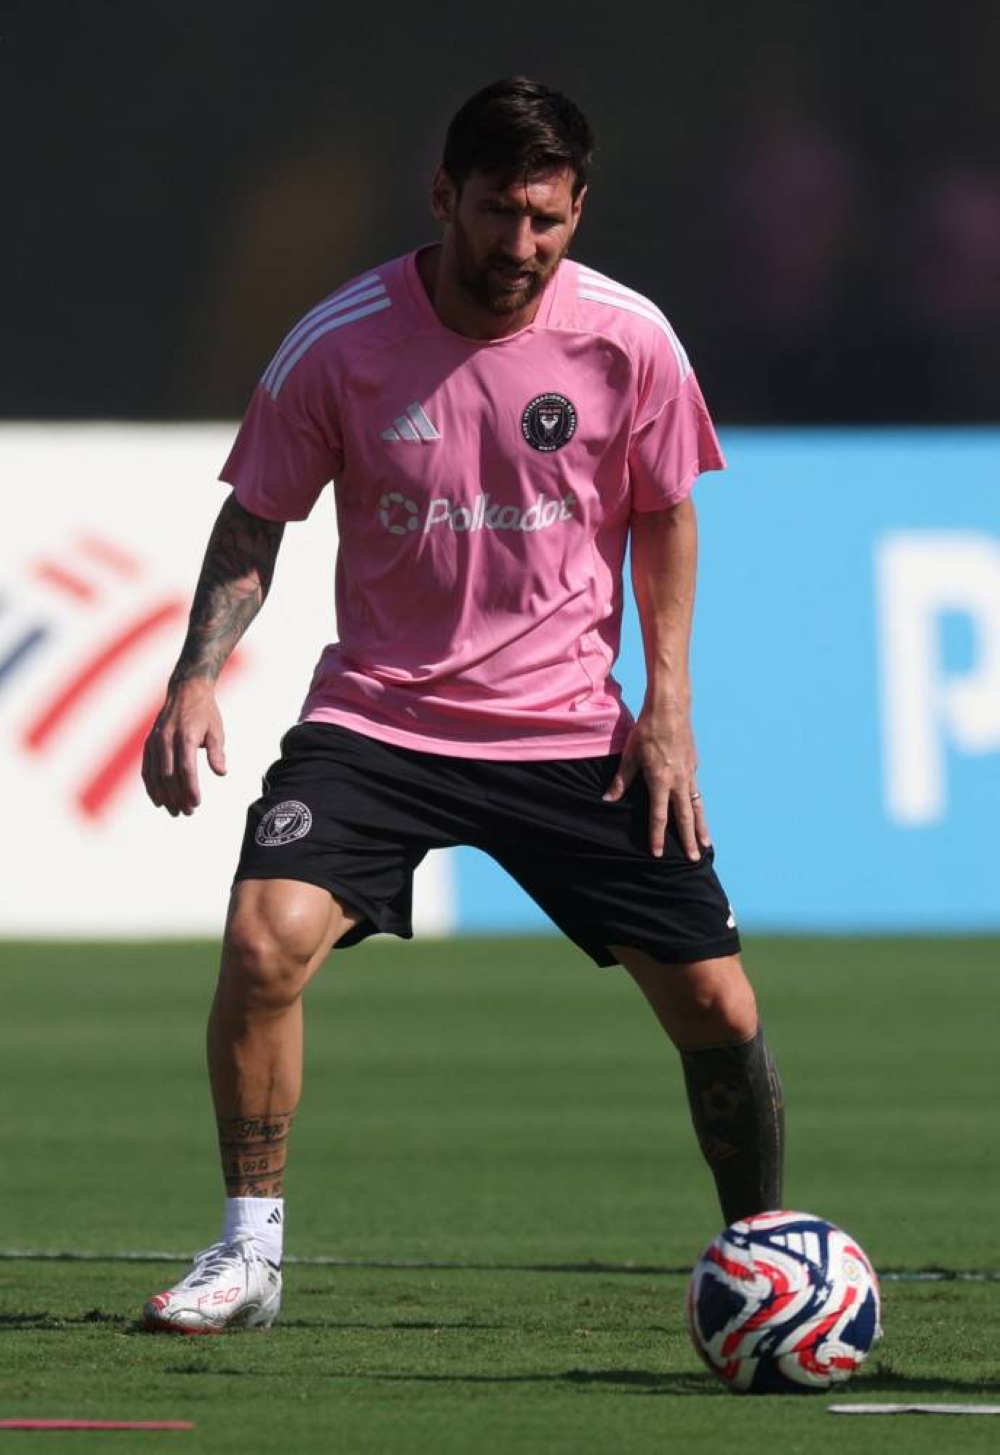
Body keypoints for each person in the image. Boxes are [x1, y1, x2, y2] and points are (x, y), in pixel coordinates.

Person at [141, 77, 784, 1334]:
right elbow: (257, 515)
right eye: (498, 213)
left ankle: (767, 1254)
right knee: (262, 945)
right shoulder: (339, 341)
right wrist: (194, 673)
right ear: (444, 197)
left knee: (719, 1008)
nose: (523, 246)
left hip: (568, 730)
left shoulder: (627, 338)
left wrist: (668, 707)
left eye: (549, 219)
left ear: (578, 208)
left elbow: (663, 512)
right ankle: (249, 1255)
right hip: (382, 724)